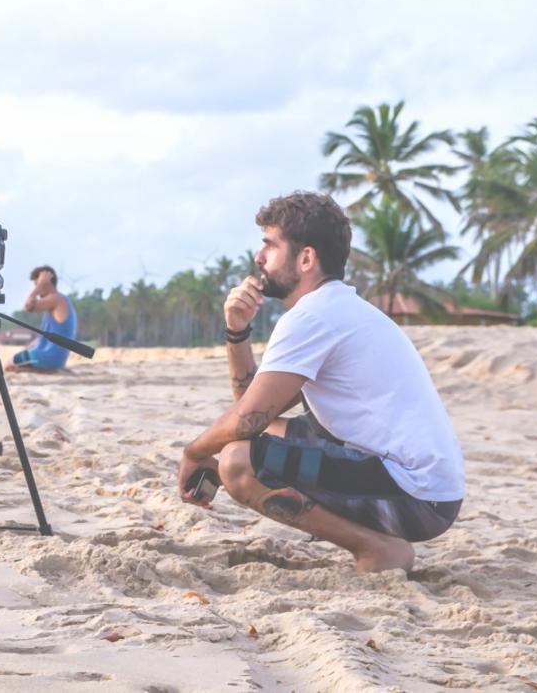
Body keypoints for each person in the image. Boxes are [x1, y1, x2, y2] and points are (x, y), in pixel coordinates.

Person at [177, 192, 465, 573]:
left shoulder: (312, 317)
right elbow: (254, 408)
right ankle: (378, 542)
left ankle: (378, 549)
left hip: (416, 493)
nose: (259, 258)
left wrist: (193, 453)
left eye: (269, 246)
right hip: (427, 490)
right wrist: (237, 332)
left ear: (306, 258)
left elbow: (249, 419)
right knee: (252, 441)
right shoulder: (336, 309)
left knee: (237, 463)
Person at [6, 265, 78, 373]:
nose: (37, 290)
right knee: (19, 361)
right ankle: (44, 371)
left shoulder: (56, 299)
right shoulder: (60, 300)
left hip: (49, 357)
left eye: (36, 283)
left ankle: (47, 370)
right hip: (55, 358)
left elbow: (28, 307)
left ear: (46, 282)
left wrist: (39, 286)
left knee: (8, 364)